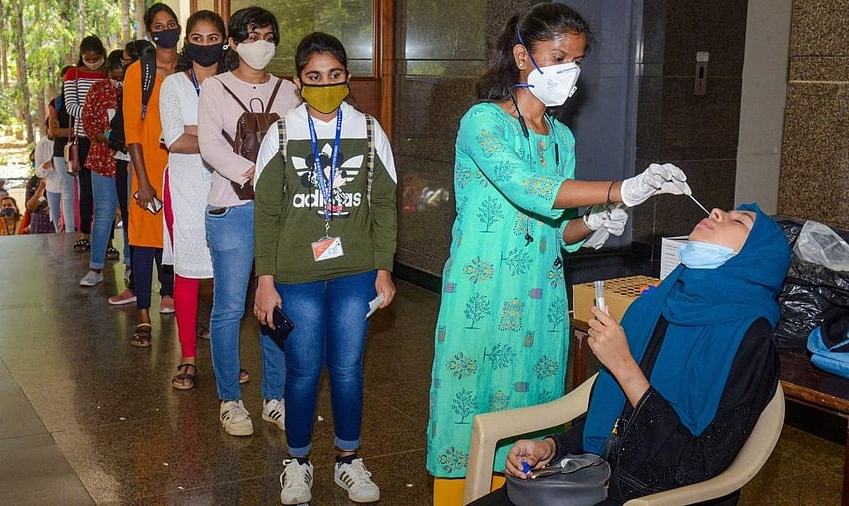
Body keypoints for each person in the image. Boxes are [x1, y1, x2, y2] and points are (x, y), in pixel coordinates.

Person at [425, 3, 691, 500]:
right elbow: (527, 188)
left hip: (540, 299)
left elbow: (554, 231)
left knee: (533, 416)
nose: (570, 70)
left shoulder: (562, 138)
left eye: (578, 60)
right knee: (471, 408)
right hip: (484, 293)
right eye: (558, 57)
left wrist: (592, 222)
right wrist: (621, 189)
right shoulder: (483, 123)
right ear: (522, 56)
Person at [470, 204, 790, 505]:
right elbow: (612, 419)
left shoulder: (752, 342)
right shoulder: (659, 306)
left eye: (739, 221)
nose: (718, 212)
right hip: (596, 478)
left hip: (659, 496)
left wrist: (624, 366)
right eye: (726, 211)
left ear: (755, 262)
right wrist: (552, 447)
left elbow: (696, 466)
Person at [253, 31, 397, 505]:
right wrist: (265, 281)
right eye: (314, 77)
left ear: (348, 77)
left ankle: (348, 459)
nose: (325, 84)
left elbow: (384, 206)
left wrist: (383, 269)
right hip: (296, 273)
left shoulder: (369, 131)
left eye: (334, 75)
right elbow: (267, 213)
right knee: (302, 370)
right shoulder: (281, 133)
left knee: (348, 369)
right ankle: (297, 463)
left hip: (357, 271)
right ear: (298, 82)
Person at [197, 6, 300, 435]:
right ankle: (230, 400)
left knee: (276, 302)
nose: (262, 45)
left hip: (281, 212)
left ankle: (274, 396)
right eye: (253, 37)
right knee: (229, 307)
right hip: (232, 209)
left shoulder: (289, 90)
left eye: (269, 37)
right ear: (234, 43)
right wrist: (255, 174)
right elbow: (210, 147)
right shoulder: (215, 88)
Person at [159, 10, 231, 389]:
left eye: (213, 37)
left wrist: (195, 132)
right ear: (187, 42)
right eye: (198, 38)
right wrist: (219, 137)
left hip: (228, 189)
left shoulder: (234, 84)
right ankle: (188, 357)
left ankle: (226, 360)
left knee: (227, 278)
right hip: (185, 191)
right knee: (187, 274)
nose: (206, 45)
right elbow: (174, 140)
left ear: (225, 42)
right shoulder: (174, 85)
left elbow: (244, 136)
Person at [124, 2, 180, 347]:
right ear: (149, 33)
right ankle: (143, 314)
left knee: (182, 242)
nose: (166, 30)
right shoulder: (138, 73)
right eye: (158, 26)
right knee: (144, 245)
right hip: (148, 171)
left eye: (171, 23)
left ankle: (185, 308)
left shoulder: (190, 67)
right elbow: (132, 131)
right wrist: (143, 181)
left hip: (185, 170)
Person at [106, 40, 154, 306]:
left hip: (157, 163)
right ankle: (135, 284)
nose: (122, 64)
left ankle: (166, 290)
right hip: (129, 162)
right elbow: (121, 131)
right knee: (133, 225)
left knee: (157, 227)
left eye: (126, 60)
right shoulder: (128, 87)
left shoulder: (165, 81)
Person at [79, 50, 127, 287]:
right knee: (103, 213)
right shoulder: (97, 90)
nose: (118, 81)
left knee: (130, 214)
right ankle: (95, 267)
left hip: (129, 160)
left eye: (122, 77)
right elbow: (87, 123)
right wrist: (104, 136)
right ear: (107, 73)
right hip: (102, 159)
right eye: (115, 77)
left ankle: (131, 266)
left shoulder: (136, 88)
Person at [65, 35, 108, 252]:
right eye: (88, 59)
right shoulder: (73, 74)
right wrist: (94, 115)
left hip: (106, 139)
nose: (92, 62)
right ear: (81, 57)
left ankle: (107, 239)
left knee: (106, 193)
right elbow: (70, 106)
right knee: (86, 190)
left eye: (96, 59)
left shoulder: (108, 73)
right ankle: (84, 234)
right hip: (84, 138)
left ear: (103, 56)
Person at [48, 66, 77, 233]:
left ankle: (85, 227)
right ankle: (70, 230)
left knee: (84, 191)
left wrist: (64, 131)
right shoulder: (56, 103)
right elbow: (53, 132)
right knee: (67, 190)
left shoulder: (85, 99)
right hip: (61, 152)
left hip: (82, 149)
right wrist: (74, 131)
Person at [34, 118, 62, 231]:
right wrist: (46, 167)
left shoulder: (66, 140)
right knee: (56, 221)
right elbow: (38, 172)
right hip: (53, 187)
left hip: (68, 185)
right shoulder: (42, 144)